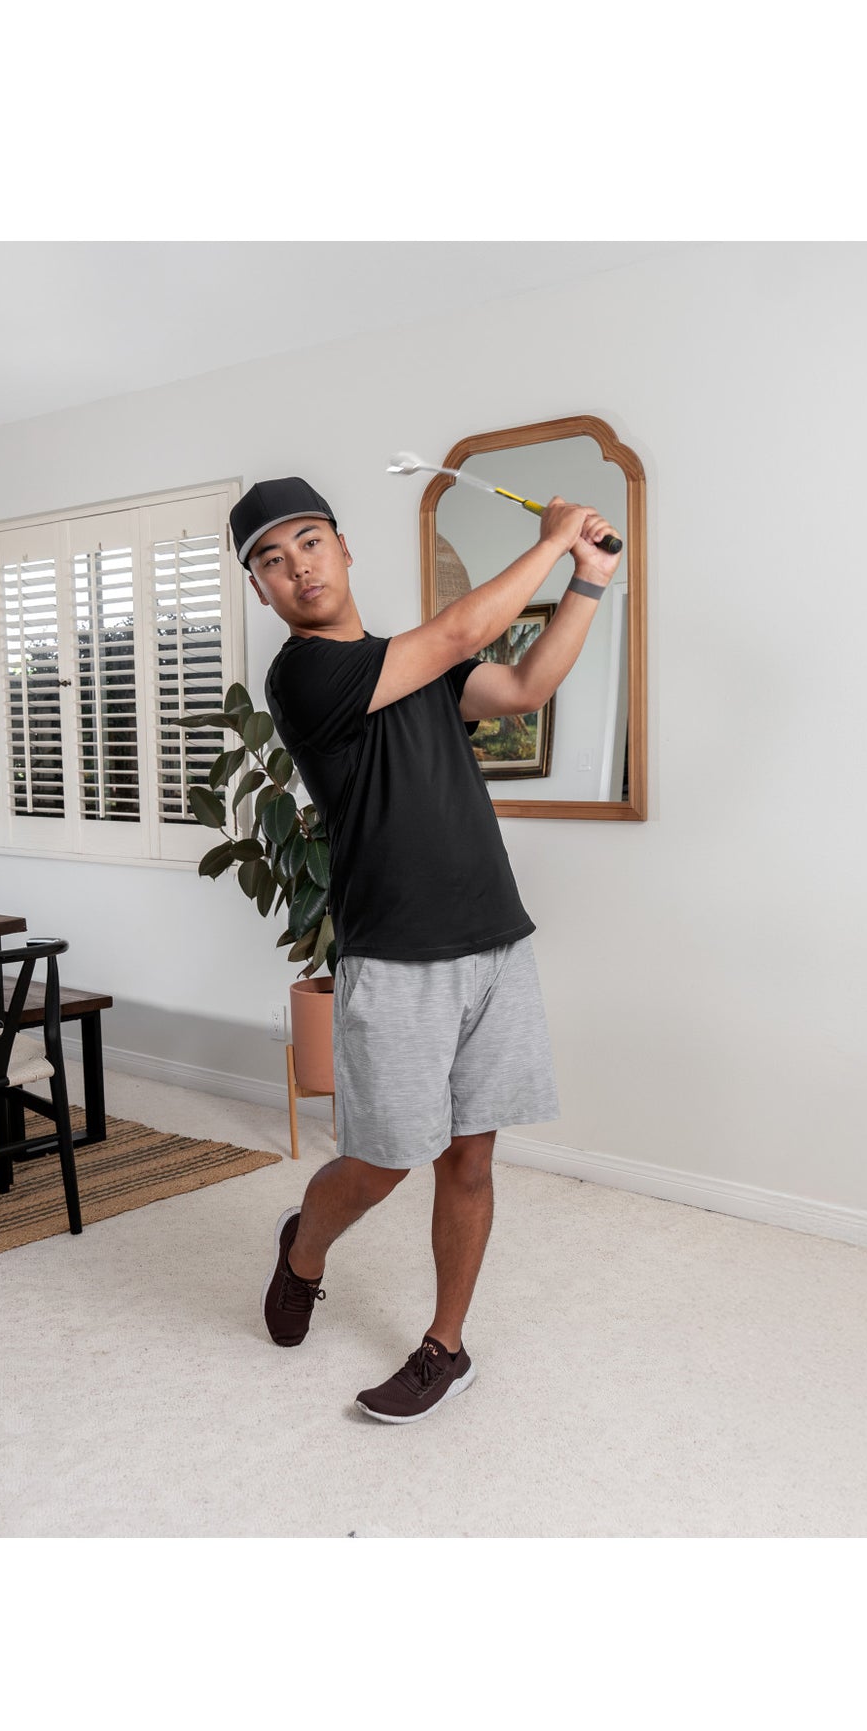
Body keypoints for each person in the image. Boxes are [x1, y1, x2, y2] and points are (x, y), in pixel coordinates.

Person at [238, 474, 623, 1421]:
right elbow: (454, 636)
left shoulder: (411, 665)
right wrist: (552, 539)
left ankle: (446, 1348)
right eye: (273, 561)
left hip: (496, 942)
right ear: (261, 590)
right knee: (381, 1164)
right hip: (397, 958)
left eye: (310, 544)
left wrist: (588, 580)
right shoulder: (305, 676)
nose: (299, 569)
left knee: (471, 1162)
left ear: (343, 549)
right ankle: (303, 1251)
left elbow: (526, 685)